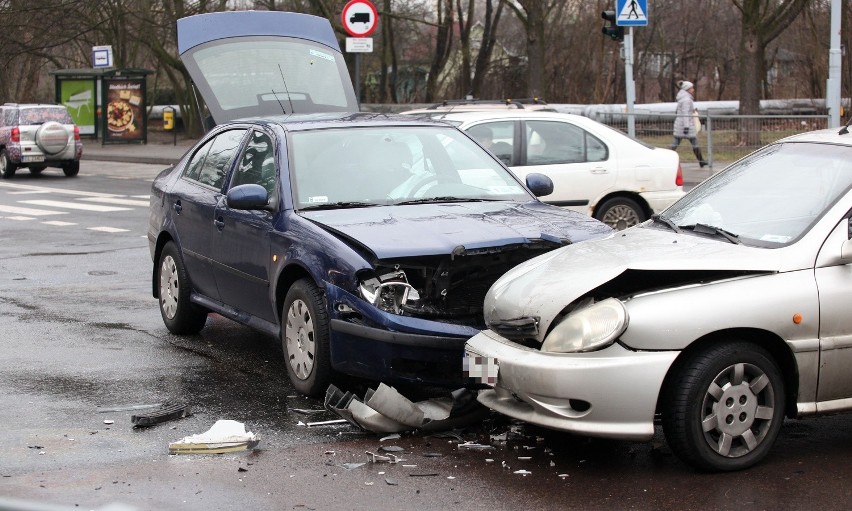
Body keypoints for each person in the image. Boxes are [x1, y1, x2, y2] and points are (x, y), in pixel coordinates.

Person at [671, 80, 708, 168]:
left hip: (681, 124)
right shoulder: (686, 100)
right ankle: (701, 161)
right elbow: (685, 113)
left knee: (675, 144)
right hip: (685, 126)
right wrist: (687, 126)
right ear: (687, 89)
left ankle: (701, 161)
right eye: (691, 88)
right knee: (693, 143)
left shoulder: (682, 98)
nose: (693, 90)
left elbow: (680, 111)